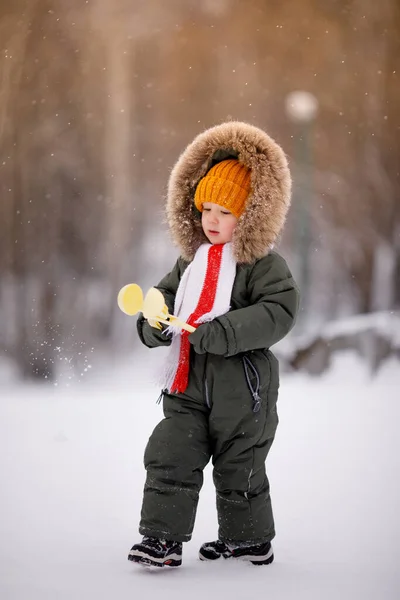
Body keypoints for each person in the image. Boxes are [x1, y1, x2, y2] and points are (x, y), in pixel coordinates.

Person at [127, 121, 300, 568]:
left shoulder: (262, 265)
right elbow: (163, 297)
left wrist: (220, 331)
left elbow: (278, 312)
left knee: (238, 468)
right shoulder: (191, 261)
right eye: (206, 208)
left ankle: (248, 540)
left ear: (250, 213)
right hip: (186, 384)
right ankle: (161, 539)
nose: (212, 220)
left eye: (225, 211)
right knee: (171, 454)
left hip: (243, 392)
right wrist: (156, 322)